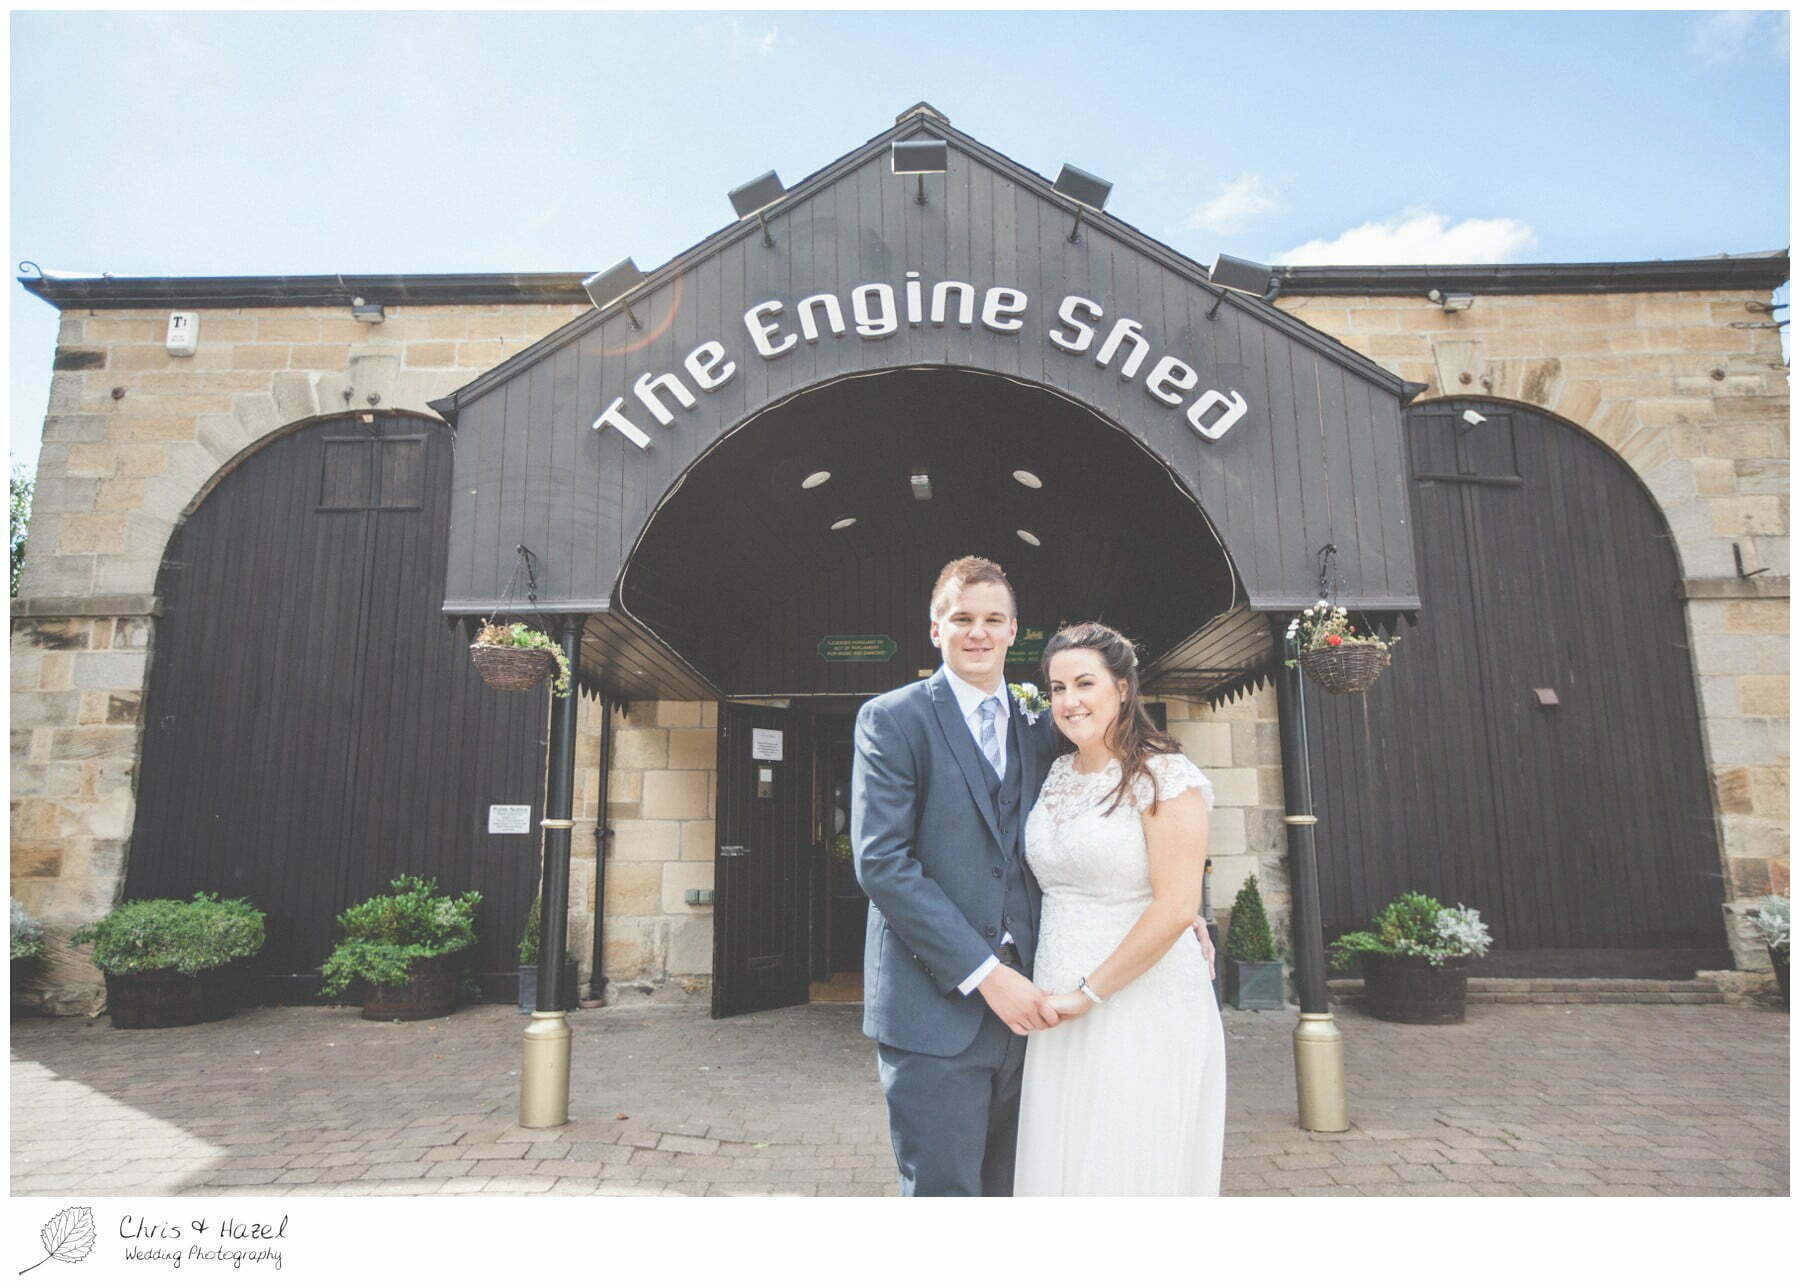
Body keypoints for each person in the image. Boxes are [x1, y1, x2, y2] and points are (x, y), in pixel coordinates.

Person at [851, 556, 1062, 1196]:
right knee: (946, 1198)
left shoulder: (1043, 724)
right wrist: (986, 973)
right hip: (932, 1012)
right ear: (935, 630)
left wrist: (1171, 905)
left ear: (1014, 630)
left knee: (1015, 1193)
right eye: (962, 618)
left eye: (993, 619)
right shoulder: (892, 718)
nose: (979, 632)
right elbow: (882, 863)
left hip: (1035, 1014)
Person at [1012, 621, 1227, 1196]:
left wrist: (1090, 993)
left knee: (1124, 1162)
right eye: (1056, 688)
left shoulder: (1164, 775)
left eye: (1085, 683)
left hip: (1135, 995)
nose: (1069, 701)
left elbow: (1177, 903)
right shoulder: (1056, 772)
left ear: (1123, 688)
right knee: (1064, 1155)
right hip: (1054, 993)